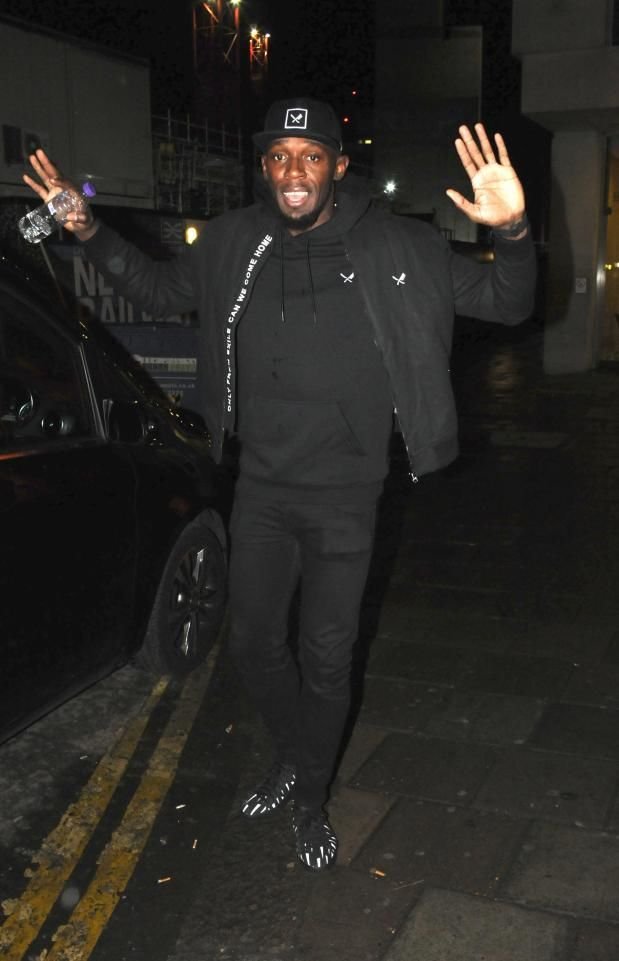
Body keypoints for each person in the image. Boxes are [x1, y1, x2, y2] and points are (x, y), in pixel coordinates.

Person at [24, 97, 536, 873]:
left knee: (326, 657)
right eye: (278, 156)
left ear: (338, 165)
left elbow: (508, 300)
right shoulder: (233, 240)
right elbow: (156, 292)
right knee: (254, 644)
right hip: (260, 488)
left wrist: (514, 231)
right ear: (264, 167)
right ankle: (299, 753)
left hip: (347, 496)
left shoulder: (400, 244)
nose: (293, 171)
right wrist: (86, 227)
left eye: (310, 156)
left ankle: (309, 797)